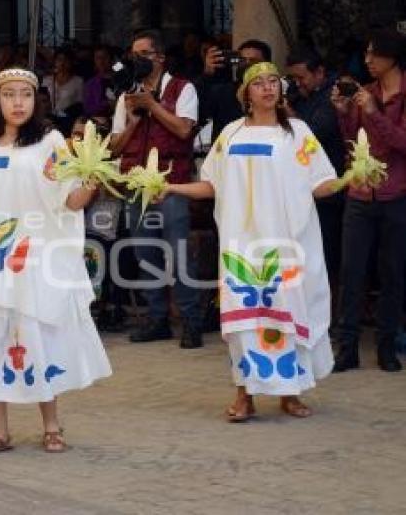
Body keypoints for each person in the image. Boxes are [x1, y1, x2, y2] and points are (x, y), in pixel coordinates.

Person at [0, 68, 111, 455]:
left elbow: (68, 200)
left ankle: (51, 426)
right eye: (10, 95)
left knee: (36, 336)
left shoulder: (51, 143)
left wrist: (92, 180)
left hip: (32, 257)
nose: (18, 102)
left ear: (37, 101)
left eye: (26, 95)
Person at [164, 62, 340, 420]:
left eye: (273, 82)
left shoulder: (298, 133)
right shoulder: (231, 135)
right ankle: (244, 394)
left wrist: (355, 177)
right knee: (244, 320)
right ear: (245, 94)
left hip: (286, 241)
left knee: (286, 313)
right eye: (258, 83)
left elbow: (321, 183)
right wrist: (169, 187)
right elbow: (211, 184)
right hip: (242, 244)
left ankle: (289, 392)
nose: (267, 88)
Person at [109, 29, 204, 348]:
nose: (135, 61)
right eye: (132, 55)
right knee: (145, 253)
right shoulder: (126, 96)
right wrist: (135, 120)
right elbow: (114, 148)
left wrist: (153, 104)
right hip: (136, 184)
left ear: (159, 57)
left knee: (178, 254)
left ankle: (191, 320)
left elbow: (183, 130)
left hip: (172, 183)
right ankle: (157, 319)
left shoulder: (183, 88)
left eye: (142, 55)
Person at [331, 29, 406, 373]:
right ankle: (347, 348)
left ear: (392, 56)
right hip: (360, 193)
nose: (367, 61)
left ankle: (387, 346)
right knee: (352, 271)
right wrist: (344, 112)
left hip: (396, 195)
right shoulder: (367, 92)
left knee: (392, 274)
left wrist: (374, 112)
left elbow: (400, 143)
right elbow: (353, 141)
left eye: (373, 54)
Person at [285, 47, 345, 289]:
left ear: (319, 72)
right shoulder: (301, 95)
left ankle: (329, 314)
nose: (298, 83)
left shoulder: (333, 95)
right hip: (301, 189)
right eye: (293, 78)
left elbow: (314, 133)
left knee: (327, 254)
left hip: (328, 189)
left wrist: (286, 110)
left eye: (302, 77)